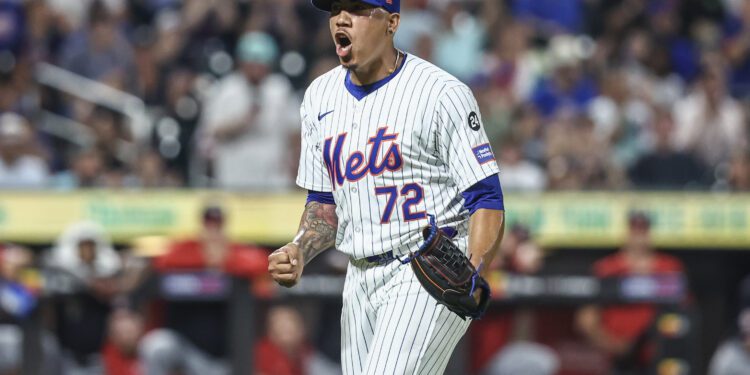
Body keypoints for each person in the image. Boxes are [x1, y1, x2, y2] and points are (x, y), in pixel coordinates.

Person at [267, 1, 506, 374]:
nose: (342, 19)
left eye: (358, 9)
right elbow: (324, 203)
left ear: (392, 23)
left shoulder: (440, 92)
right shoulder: (319, 97)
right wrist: (300, 247)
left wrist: (473, 272)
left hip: (427, 269)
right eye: (335, 10)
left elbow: (486, 197)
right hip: (359, 275)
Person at [138, 204, 267, 375]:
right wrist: (205, 258)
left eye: (217, 224)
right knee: (155, 345)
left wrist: (225, 260)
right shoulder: (189, 248)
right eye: (209, 224)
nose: (213, 230)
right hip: (187, 350)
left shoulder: (234, 251)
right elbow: (163, 261)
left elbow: (262, 263)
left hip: (223, 357)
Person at [576, 211, 685, 374]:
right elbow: (586, 320)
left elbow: (684, 315)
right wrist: (614, 345)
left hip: (661, 356)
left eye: (643, 229)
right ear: (626, 232)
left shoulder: (669, 267)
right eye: (634, 229)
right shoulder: (606, 268)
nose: (639, 236)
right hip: (617, 358)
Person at [254, 305, 341, 375]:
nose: (287, 328)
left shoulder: (307, 353)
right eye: (281, 325)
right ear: (271, 331)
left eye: (291, 322)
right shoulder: (262, 352)